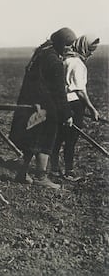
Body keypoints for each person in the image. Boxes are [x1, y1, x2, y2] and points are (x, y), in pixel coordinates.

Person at [9, 27, 76, 189]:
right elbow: (59, 92)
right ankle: (40, 176)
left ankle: (22, 173)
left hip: (33, 104)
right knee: (47, 141)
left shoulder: (42, 53)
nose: (70, 49)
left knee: (31, 139)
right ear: (60, 43)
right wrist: (67, 114)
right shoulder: (54, 61)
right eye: (68, 45)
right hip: (46, 107)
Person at [50, 35, 100, 181]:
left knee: (58, 137)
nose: (91, 53)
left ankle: (53, 168)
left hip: (61, 103)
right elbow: (79, 90)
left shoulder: (65, 59)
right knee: (71, 139)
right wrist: (91, 108)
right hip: (74, 104)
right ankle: (69, 171)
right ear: (83, 47)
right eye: (90, 49)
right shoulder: (78, 64)